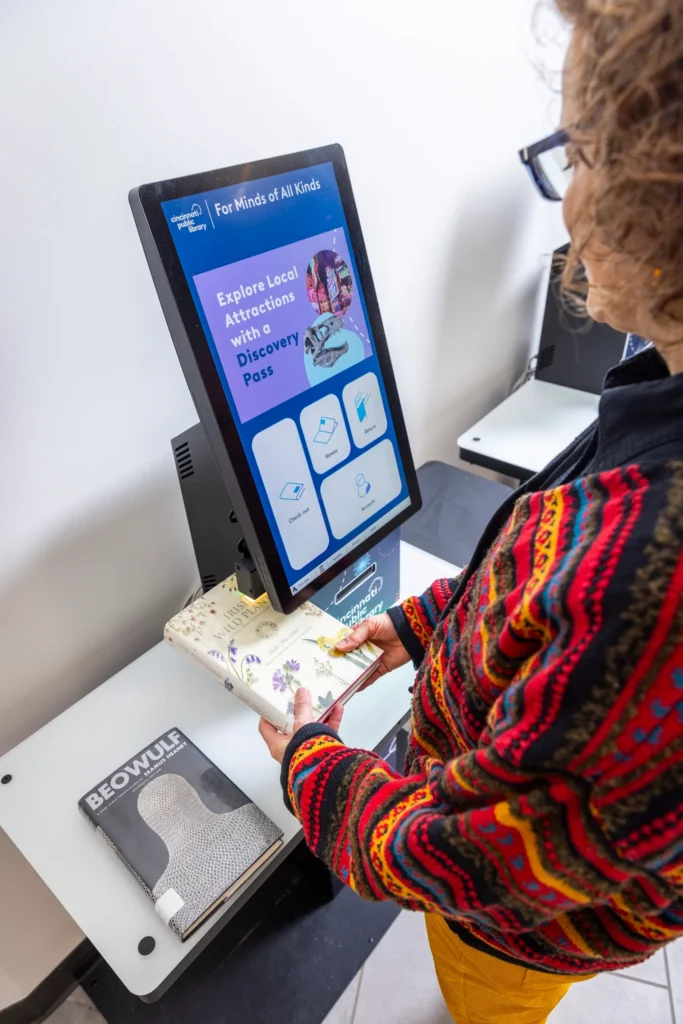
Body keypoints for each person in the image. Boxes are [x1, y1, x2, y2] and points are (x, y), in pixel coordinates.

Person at [260, 2, 683, 1020]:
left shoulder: (661, 587)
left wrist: (312, 766)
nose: (568, 203)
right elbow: (547, 577)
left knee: (481, 996)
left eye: (581, 155)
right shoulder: (652, 390)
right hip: (507, 773)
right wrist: (426, 622)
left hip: (517, 934)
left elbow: (464, 860)